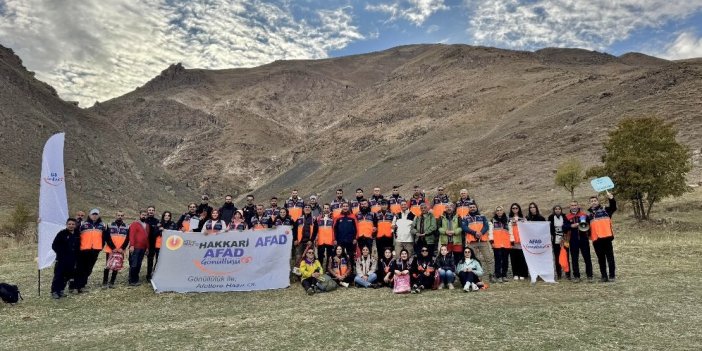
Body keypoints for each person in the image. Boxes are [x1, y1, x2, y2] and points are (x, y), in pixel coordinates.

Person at [69, 208, 107, 293]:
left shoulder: (102, 225)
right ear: (89, 215)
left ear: (98, 215)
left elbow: (105, 237)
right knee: (79, 269)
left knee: (88, 269)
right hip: (83, 250)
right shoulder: (82, 224)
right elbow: (71, 231)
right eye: (93, 214)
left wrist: (101, 247)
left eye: (96, 214)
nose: (94, 216)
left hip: (95, 251)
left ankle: (82, 286)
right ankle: (75, 287)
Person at [588, 191, 617, 282]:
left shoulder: (605, 210)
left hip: (606, 237)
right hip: (596, 239)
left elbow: (613, 207)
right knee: (601, 259)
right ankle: (604, 276)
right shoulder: (589, 215)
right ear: (590, 203)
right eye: (591, 201)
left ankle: (612, 276)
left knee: (610, 258)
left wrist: (611, 198)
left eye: (595, 200)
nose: (593, 202)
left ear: (598, 201)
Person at [462, 203, 495, 283]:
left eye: (474, 207)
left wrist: (481, 233)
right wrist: (474, 233)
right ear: (468, 209)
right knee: (474, 260)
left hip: (483, 241)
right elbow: (464, 228)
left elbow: (486, 226)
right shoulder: (465, 218)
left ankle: (491, 275)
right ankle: (476, 276)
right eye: (471, 207)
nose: (472, 208)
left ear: (476, 208)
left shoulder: (482, 216)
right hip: (472, 242)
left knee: (489, 258)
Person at [565, 200, 593, 283]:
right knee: (574, 259)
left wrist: (589, 235)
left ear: (578, 206)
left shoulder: (584, 215)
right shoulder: (567, 216)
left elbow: (589, 226)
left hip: (584, 239)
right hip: (573, 240)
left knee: (587, 258)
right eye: (572, 205)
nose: (574, 207)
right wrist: (571, 225)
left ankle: (589, 275)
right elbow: (564, 227)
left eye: (575, 205)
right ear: (570, 207)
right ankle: (577, 276)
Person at [51, 218, 79, 299]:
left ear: (75, 225)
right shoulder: (62, 233)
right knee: (58, 275)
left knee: (66, 276)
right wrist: (61, 253)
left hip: (72, 259)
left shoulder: (77, 234)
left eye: (73, 224)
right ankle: (54, 291)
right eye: (69, 224)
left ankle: (61, 290)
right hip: (62, 259)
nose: (71, 226)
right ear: (66, 225)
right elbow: (54, 245)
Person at [102, 211, 129, 288]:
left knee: (116, 266)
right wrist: (113, 248)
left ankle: (112, 282)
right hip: (110, 249)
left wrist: (122, 248)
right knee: (108, 265)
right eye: (118, 215)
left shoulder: (127, 226)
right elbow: (107, 237)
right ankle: (105, 282)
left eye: (122, 215)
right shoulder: (109, 225)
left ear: (124, 216)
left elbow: (127, 239)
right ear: (115, 216)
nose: (120, 216)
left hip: (121, 250)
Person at [489, 206, 514, 283]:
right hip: (497, 244)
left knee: (505, 260)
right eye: (497, 210)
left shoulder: (508, 220)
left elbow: (511, 232)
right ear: (496, 212)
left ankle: (504, 275)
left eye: (500, 210)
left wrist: (512, 241)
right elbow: (490, 232)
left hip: (506, 243)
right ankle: (498, 275)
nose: (499, 211)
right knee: (498, 260)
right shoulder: (492, 220)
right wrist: (491, 241)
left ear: (503, 211)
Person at [127, 210, 150, 286]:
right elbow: (131, 235)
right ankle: (131, 280)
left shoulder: (147, 225)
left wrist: (147, 248)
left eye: (145, 215)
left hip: (143, 248)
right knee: (134, 264)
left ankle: (136, 279)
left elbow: (147, 238)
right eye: (143, 215)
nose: (144, 216)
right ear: (140, 215)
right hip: (135, 247)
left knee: (139, 264)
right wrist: (132, 245)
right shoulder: (135, 224)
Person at [548, 205, 569, 280]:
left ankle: (567, 273)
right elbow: (549, 228)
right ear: (554, 210)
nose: (557, 210)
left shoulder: (564, 216)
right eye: (556, 209)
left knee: (566, 256)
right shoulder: (551, 217)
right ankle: (559, 274)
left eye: (559, 209)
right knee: (557, 257)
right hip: (555, 240)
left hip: (565, 239)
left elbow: (567, 226)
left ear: (561, 210)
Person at [509, 203, 529, 281]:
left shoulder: (523, 218)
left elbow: (527, 228)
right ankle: (515, 273)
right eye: (513, 208)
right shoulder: (509, 219)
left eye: (516, 208)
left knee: (522, 258)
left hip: (522, 241)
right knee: (514, 258)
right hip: (512, 241)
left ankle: (523, 273)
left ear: (519, 209)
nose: (515, 209)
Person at [144, 206, 160, 281]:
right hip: (145, 244)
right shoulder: (144, 220)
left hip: (154, 244)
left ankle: (150, 275)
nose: (151, 211)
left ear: (154, 212)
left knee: (153, 260)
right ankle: (134, 275)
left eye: (152, 210)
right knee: (144, 260)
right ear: (147, 211)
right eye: (149, 210)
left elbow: (158, 232)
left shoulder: (157, 221)